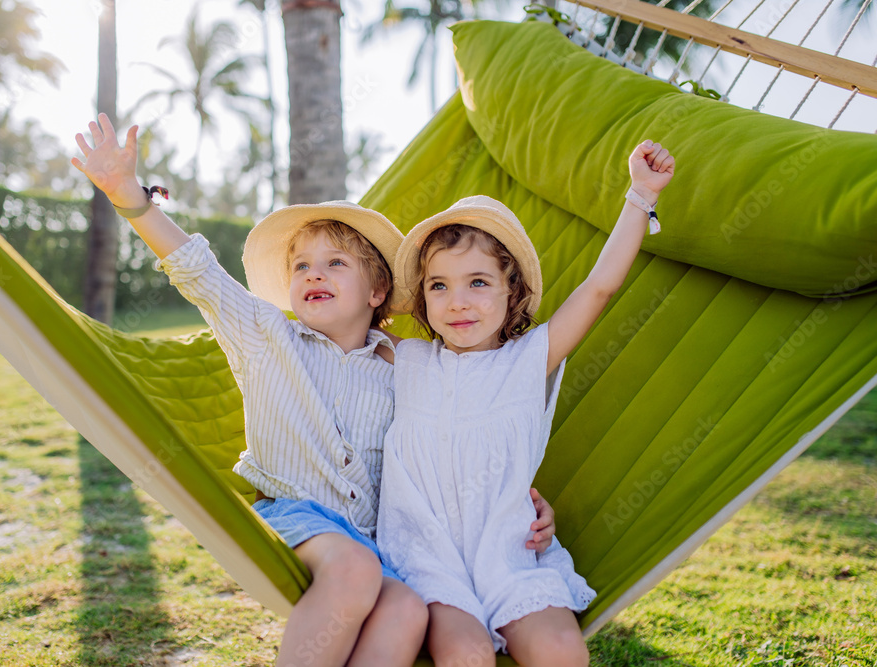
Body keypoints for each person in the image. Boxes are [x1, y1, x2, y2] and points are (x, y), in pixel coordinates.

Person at [71, 113, 557, 667]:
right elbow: (197, 270)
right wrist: (128, 194)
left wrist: (520, 502)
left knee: (406, 612)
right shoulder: (265, 335)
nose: (312, 274)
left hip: (378, 541)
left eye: (334, 263)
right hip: (294, 516)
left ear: (378, 289)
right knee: (354, 571)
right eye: (301, 265)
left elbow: (461, 438)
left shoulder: (409, 366)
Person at [377, 140, 675, 666]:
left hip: (510, 552)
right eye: (439, 286)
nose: (458, 301)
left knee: (561, 649)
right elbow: (338, 329)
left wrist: (640, 196)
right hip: (427, 558)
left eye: (478, 282)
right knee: (465, 652)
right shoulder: (406, 360)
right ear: (422, 298)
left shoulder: (529, 360)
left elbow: (600, 287)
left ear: (512, 291)